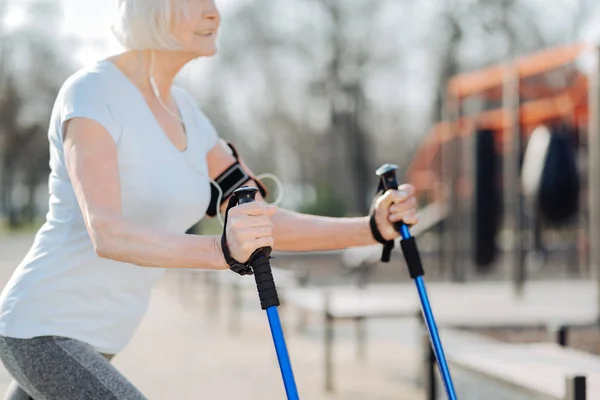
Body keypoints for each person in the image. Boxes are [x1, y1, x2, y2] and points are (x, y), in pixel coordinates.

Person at [0, 0, 418, 398]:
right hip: (42, 327)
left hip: (102, 337)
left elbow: (258, 220)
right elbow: (107, 232)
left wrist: (370, 228)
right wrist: (222, 251)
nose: (213, 13)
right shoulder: (93, 93)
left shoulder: (187, 114)